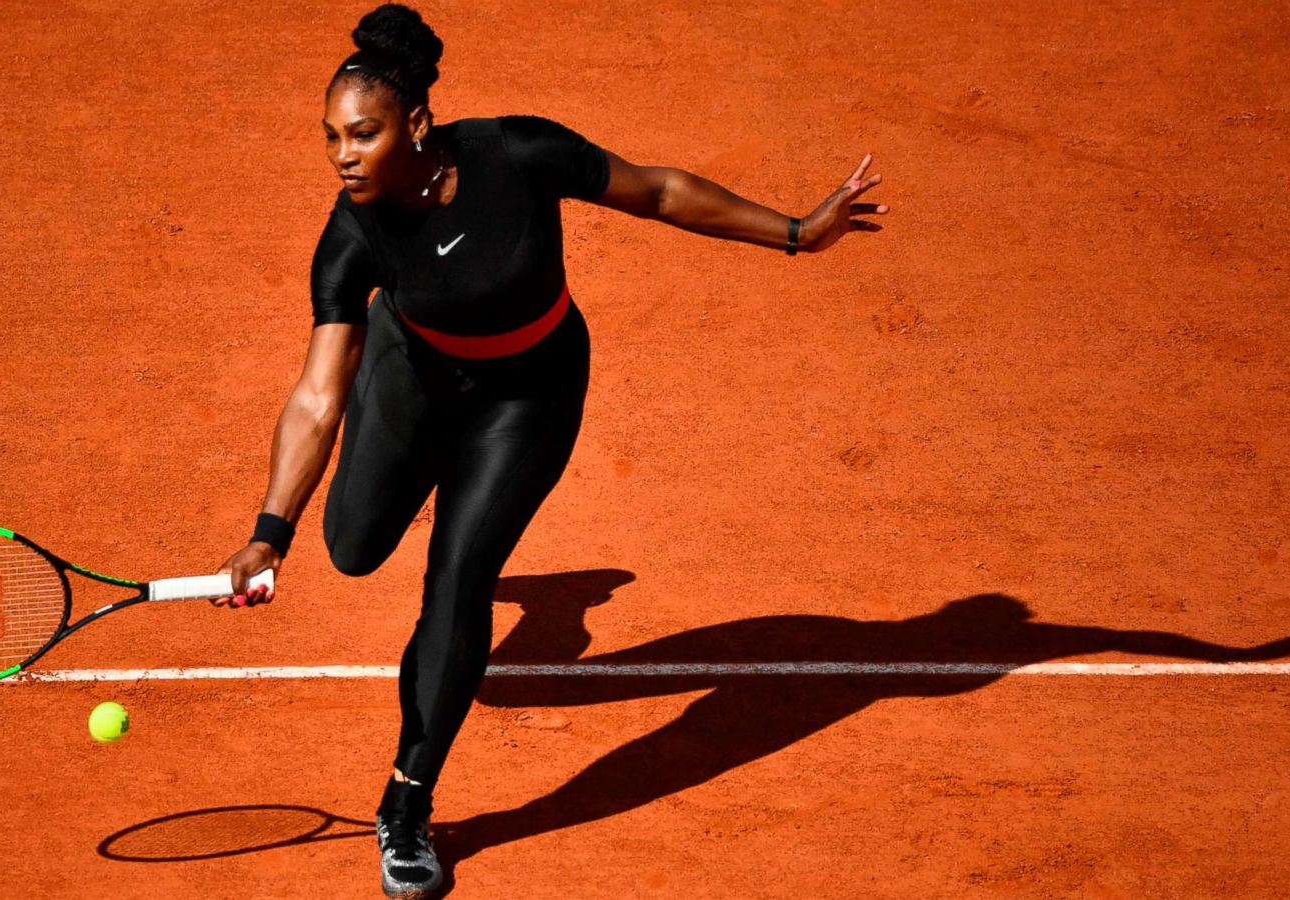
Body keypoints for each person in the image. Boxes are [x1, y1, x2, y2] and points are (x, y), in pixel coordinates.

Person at [210, 3, 888, 896]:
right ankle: (466, 528)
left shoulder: (516, 153)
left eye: (362, 134)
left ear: (415, 124)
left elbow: (659, 191)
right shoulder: (351, 235)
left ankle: (407, 806)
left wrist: (798, 232)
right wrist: (272, 530)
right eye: (331, 137)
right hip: (413, 379)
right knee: (355, 547)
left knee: (459, 578)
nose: (342, 155)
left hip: (528, 395)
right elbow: (316, 395)